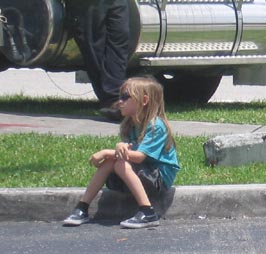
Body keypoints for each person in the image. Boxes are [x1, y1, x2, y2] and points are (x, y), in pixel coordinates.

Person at [61, 75, 180, 229]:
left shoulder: (155, 126)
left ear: (144, 101)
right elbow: (129, 152)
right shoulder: (130, 125)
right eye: (120, 96)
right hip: (141, 175)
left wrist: (107, 152)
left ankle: (148, 212)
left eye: (125, 97)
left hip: (158, 181)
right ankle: (82, 208)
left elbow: (139, 157)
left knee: (118, 162)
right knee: (112, 161)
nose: (120, 101)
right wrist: (119, 148)